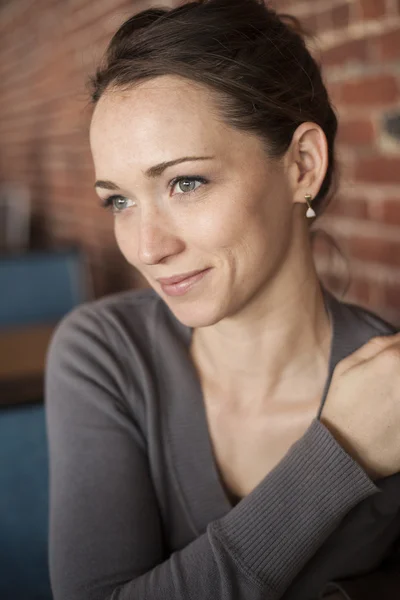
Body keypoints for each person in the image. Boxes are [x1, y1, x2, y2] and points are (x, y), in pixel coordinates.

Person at [45, 1, 400, 599]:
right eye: (119, 201)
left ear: (302, 166)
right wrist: (341, 451)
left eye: (185, 183)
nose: (145, 248)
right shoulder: (104, 352)